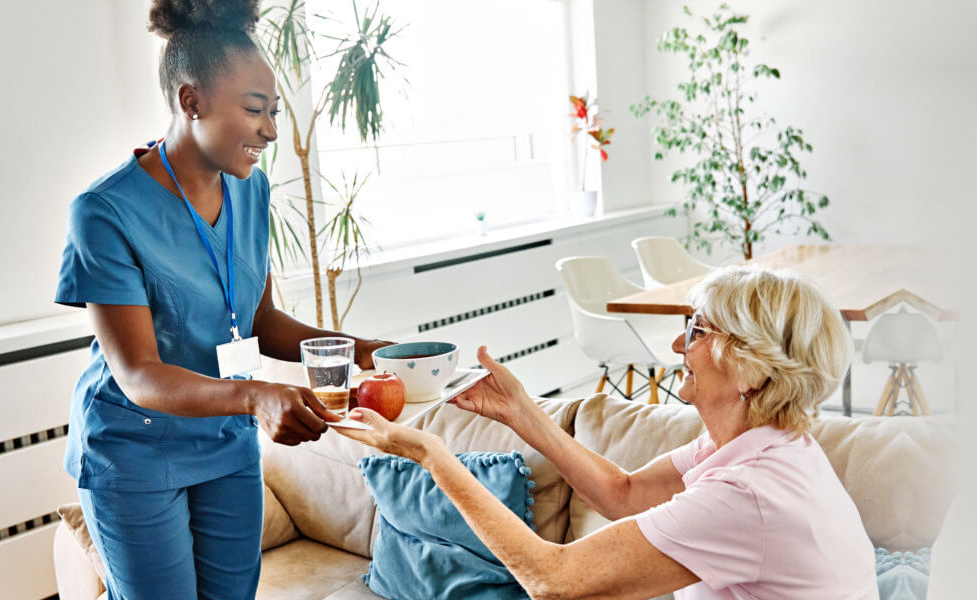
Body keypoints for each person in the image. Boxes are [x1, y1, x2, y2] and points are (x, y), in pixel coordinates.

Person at [53, 1, 392, 598]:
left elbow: (258, 319)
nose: (271, 131)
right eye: (255, 110)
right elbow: (138, 374)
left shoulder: (251, 189)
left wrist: (366, 351)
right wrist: (257, 395)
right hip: (135, 453)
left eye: (275, 113)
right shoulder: (105, 212)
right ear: (191, 102)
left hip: (225, 443)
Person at [337, 266, 877, 599]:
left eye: (697, 331)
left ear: (752, 369)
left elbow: (552, 581)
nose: (676, 348)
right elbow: (627, 495)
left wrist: (433, 457)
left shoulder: (749, 495)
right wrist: (522, 412)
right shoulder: (752, 443)